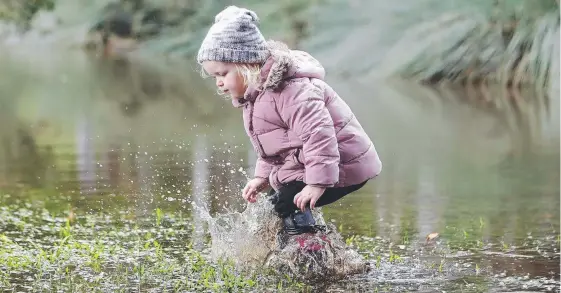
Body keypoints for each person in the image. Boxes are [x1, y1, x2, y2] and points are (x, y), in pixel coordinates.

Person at [197, 6, 382, 236]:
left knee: (284, 203)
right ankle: (301, 246)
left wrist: (316, 184)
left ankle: (309, 250)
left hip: (345, 163)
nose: (219, 83)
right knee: (277, 203)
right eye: (214, 76)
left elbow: (320, 135)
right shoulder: (257, 97)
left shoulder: (291, 92)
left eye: (223, 74)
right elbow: (276, 147)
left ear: (248, 65)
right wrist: (261, 177)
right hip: (317, 164)